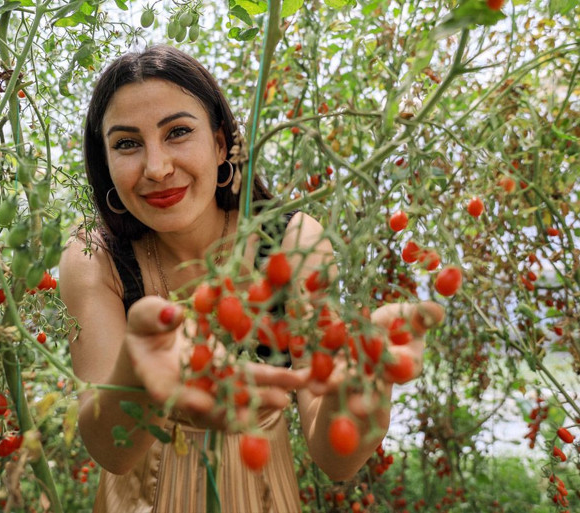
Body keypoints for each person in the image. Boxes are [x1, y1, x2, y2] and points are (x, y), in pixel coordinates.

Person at [59, 44, 444, 513]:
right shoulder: (94, 258)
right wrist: (137, 376)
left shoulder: (292, 243)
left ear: (221, 145)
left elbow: (336, 460)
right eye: (127, 143)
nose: (157, 168)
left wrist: (364, 389)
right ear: (105, 164)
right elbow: (110, 451)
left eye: (178, 132)